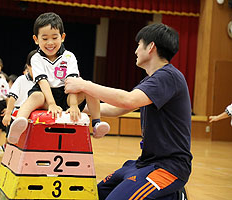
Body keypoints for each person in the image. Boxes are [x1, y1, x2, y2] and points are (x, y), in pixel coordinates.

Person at [64, 23, 192, 199]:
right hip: (144, 164)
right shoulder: (153, 80)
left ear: (151, 47)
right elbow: (117, 108)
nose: (135, 51)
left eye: (139, 45)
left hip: (169, 168)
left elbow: (127, 99)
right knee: (92, 194)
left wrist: (84, 85)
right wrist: (74, 108)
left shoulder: (168, 76)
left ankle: (173, 196)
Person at [7, 12, 110, 144]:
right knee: (35, 97)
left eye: (54, 37)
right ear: (36, 39)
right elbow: (43, 83)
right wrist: (51, 104)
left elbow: (72, 83)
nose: (50, 43)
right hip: (45, 95)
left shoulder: (69, 56)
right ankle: (18, 123)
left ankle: (96, 123)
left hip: (66, 95)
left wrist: (73, 105)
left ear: (62, 37)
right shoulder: (36, 58)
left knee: (88, 86)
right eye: (44, 39)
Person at [2, 50, 36, 129]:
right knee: (13, 139)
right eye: (34, 66)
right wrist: (8, 114)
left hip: (37, 115)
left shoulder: (46, 81)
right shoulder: (21, 79)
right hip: (18, 113)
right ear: (28, 66)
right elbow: (12, 97)